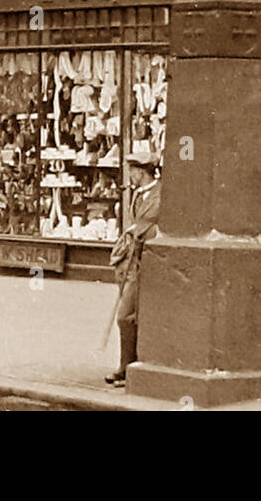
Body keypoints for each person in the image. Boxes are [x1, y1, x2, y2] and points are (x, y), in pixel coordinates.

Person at [105, 155, 161, 387]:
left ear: (142, 171)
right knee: (130, 315)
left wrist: (139, 231)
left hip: (148, 262)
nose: (130, 175)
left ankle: (128, 366)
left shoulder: (162, 194)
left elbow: (158, 225)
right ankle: (129, 365)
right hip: (130, 263)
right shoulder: (137, 194)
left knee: (125, 315)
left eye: (132, 170)